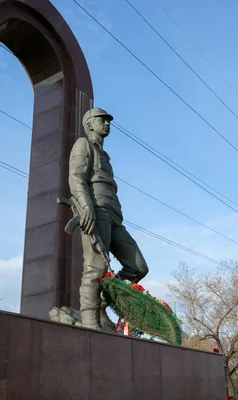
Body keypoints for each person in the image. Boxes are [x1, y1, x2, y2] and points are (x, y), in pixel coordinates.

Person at [69, 107, 149, 330]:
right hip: (96, 211)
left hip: (114, 215)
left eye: (107, 121)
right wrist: (86, 207)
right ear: (89, 124)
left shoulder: (105, 155)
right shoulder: (82, 145)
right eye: (101, 120)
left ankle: (102, 303)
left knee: (138, 267)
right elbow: (76, 177)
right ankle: (90, 320)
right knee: (95, 267)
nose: (106, 124)